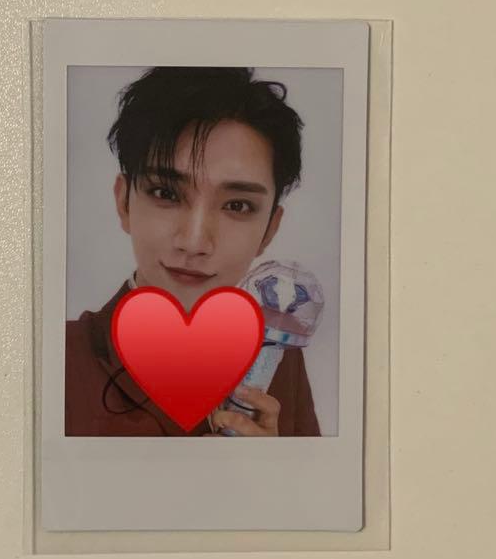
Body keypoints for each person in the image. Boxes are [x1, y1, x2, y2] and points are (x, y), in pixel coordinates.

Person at [65, 67, 321, 436]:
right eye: (166, 193)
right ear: (124, 203)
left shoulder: (279, 355)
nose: (195, 242)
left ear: (270, 229)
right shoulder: (61, 357)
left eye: (237, 206)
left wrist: (276, 467)